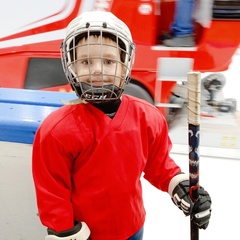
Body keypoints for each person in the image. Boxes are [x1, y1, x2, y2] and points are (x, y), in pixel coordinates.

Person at [32, 11, 212, 240]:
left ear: (125, 63)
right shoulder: (56, 131)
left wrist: (180, 185)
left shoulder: (147, 117)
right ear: (72, 66)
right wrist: (65, 229)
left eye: (108, 61)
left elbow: (158, 164)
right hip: (89, 234)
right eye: (86, 61)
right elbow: (52, 191)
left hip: (133, 226)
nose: (97, 69)